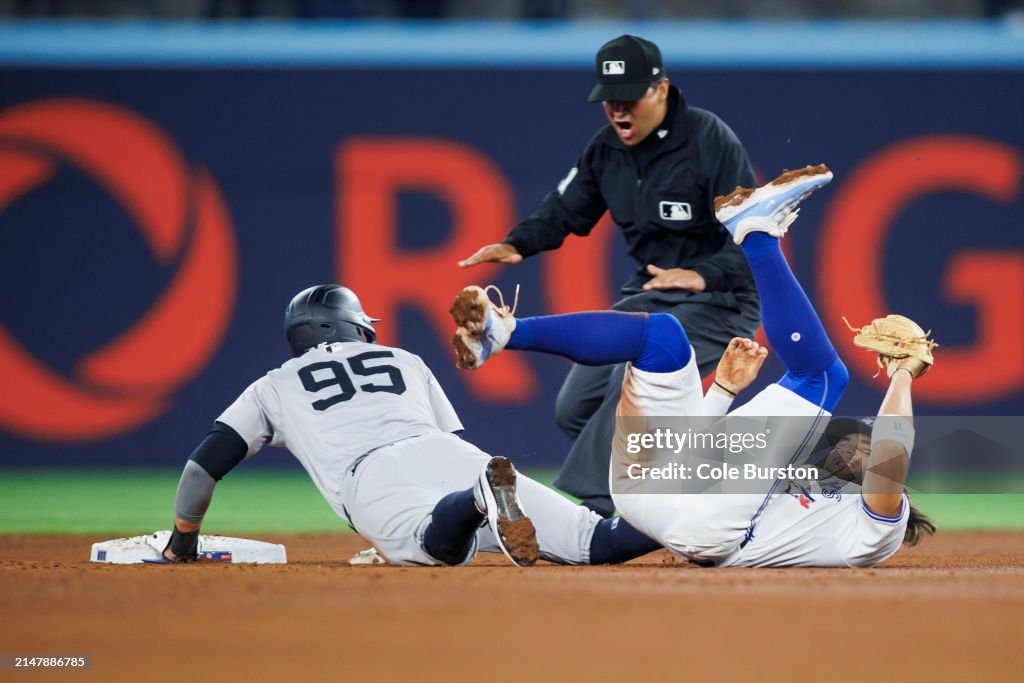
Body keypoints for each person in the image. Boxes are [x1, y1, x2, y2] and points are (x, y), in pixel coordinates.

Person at [451, 164, 936, 567]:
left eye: (862, 449)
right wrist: (722, 391)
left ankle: (758, 235)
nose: (856, 442)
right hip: (647, 491)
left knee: (824, 377)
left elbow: (890, 459)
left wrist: (902, 375)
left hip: (714, 532)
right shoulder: (799, 466)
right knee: (661, 338)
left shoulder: (876, 529)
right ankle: (505, 332)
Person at [458, 34, 760, 517]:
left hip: (721, 302)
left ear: (661, 90)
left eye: (630, 97)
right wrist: (518, 242)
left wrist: (702, 275)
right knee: (575, 408)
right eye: (610, 99)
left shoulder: (709, 140)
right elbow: (565, 208)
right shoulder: (606, 149)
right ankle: (672, 480)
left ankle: (590, 511)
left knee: (629, 381)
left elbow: (756, 234)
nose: (619, 110)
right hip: (650, 296)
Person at [151, 284, 661, 567]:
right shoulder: (403, 358)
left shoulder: (275, 384)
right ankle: (698, 502)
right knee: (599, 542)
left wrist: (183, 542)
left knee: (432, 548)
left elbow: (203, 466)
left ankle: (475, 500)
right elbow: (447, 445)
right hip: (453, 455)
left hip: (373, 477)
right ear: (353, 326)